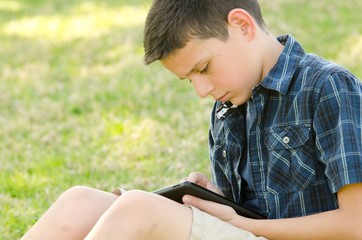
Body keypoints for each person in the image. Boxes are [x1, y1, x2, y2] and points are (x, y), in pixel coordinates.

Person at [22, 0, 362, 239]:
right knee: (78, 202)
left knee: (138, 209)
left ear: (242, 26)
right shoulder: (228, 106)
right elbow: (245, 214)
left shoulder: (328, 87)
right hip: (251, 233)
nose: (201, 90)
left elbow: (356, 224)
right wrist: (217, 200)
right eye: (189, 79)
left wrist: (246, 226)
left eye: (203, 68)